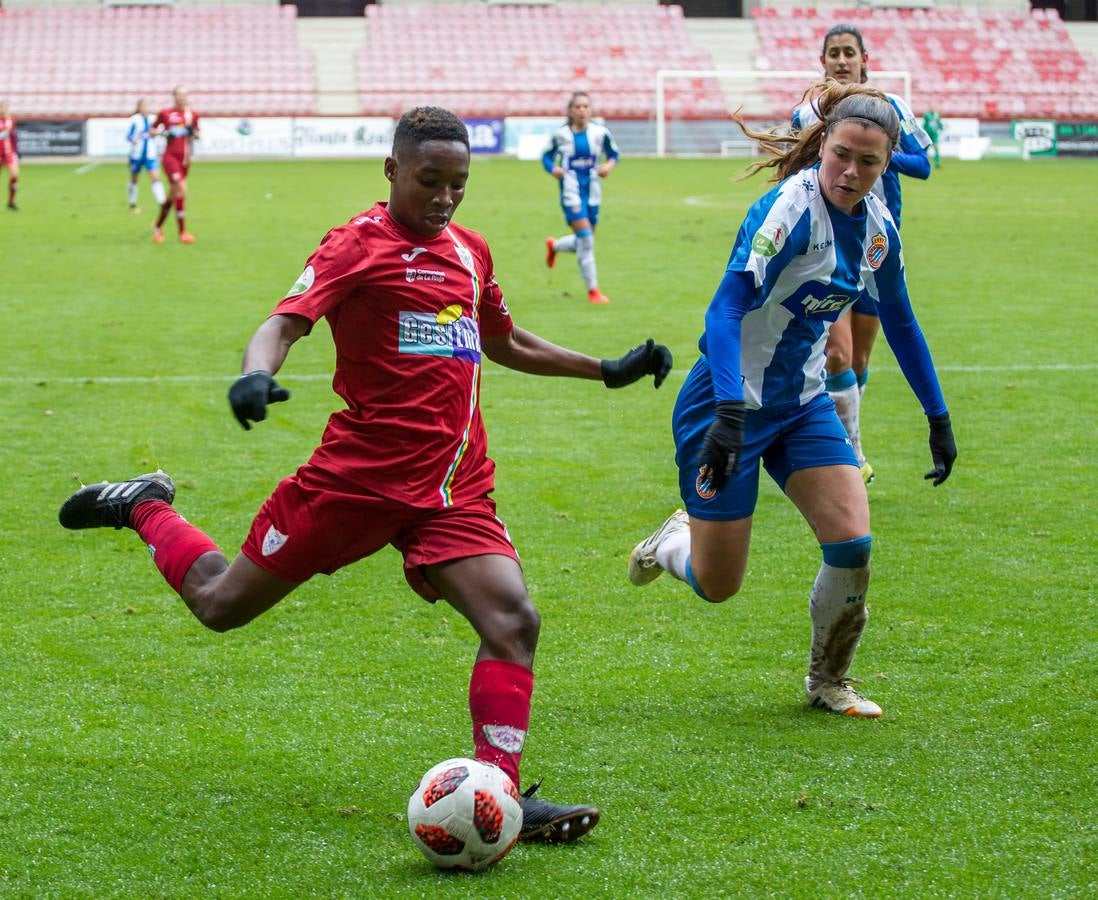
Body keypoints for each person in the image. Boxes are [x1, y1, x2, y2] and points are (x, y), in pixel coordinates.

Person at [59, 107, 673, 845]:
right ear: (392, 171)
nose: (445, 197)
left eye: (458, 184)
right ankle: (146, 506)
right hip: (355, 481)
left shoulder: (471, 252)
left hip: (450, 490)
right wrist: (256, 376)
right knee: (221, 604)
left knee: (513, 622)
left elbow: (503, 340)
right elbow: (284, 322)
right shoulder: (358, 244)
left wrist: (604, 370)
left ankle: (498, 796)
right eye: (430, 181)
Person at [626, 82, 956, 720]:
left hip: (803, 403)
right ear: (822, 145)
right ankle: (671, 543)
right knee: (719, 586)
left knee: (853, 542)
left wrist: (937, 416)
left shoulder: (879, 230)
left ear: (888, 166)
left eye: (869, 162)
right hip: (725, 406)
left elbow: (904, 322)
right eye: (841, 155)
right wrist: (727, 412)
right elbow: (724, 313)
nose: (851, 172)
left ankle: (828, 680)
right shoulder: (788, 210)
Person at [792, 25, 932, 484]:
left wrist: (881, 155)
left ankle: (849, 437)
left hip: (876, 251)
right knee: (836, 353)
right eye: (833, 53)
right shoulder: (808, 112)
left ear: (864, 59)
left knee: (859, 362)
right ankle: (852, 455)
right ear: (823, 61)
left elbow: (925, 165)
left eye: (848, 52)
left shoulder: (893, 109)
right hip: (824, 249)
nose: (841, 60)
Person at [542, 92, 620, 305]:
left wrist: (608, 167)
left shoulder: (600, 133)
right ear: (570, 111)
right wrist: (553, 169)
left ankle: (555, 246)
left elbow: (614, 154)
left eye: (586, 106)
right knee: (586, 240)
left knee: (585, 241)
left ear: (591, 109)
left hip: (593, 192)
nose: (582, 110)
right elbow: (545, 157)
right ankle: (593, 291)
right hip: (571, 192)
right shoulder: (561, 135)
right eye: (577, 106)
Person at [151, 85, 199, 244]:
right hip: (170, 157)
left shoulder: (192, 115)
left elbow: (198, 134)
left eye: (184, 95)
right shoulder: (165, 113)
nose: (181, 97)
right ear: (174, 96)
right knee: (182, 190)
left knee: (173, 196)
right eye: (179, 94)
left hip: (185, 160)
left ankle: (157, 226)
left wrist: (193, 132)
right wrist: (164, 133)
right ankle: (182, 232)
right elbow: (152, 129)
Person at [126, 99, 167, 215]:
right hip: (136, 154)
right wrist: (132, 139)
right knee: (134, 179)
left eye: (147, 106)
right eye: (143, 106)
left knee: (155, 178)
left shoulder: (153, 119)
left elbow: (159, 132)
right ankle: (132, 204)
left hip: (150, 154)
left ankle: (163, 203)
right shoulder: (134, 120)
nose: (145, 108)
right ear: (139, 107)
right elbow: (128, 135)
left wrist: (157, 135)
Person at [0, 99, 20, 211]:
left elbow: (14, 137)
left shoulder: (10, 121)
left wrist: (16, 151)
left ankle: (11, 202)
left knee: (14, 175)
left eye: (6, 107)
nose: (5, 109)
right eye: (3, 107)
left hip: (9, 152)